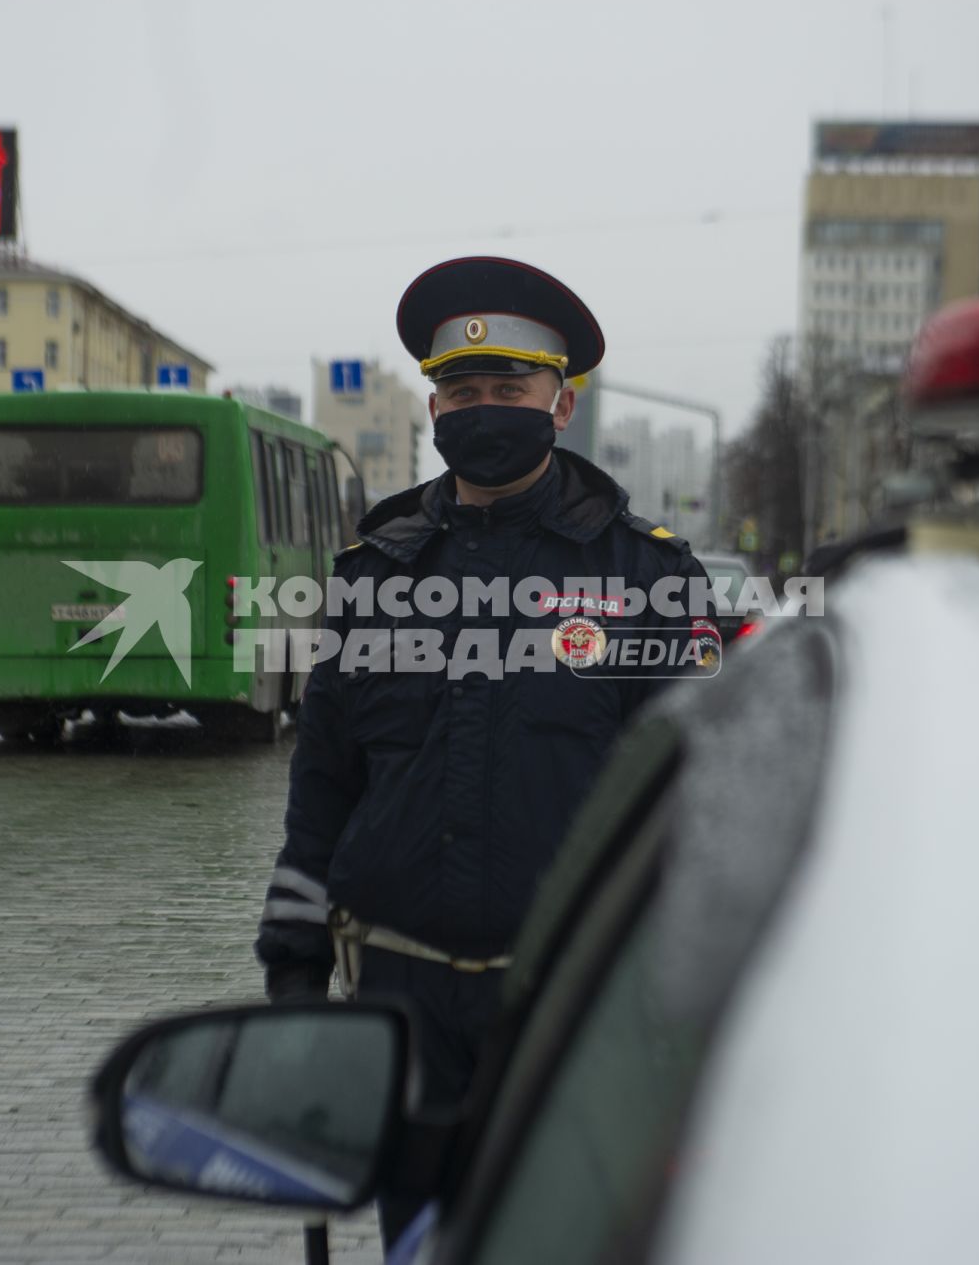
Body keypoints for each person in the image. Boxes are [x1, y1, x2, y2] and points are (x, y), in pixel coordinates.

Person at [253, 256, 711, 1248]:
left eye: (509, 387)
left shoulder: (649, 575)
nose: (483, 406)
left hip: (572, 1000)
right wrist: (293, 975)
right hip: (399, 998)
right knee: (418, 1241)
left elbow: (697, 799)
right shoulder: (374, 576)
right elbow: (323, 783)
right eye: (462, 389)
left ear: (562, 399)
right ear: (432, 403)